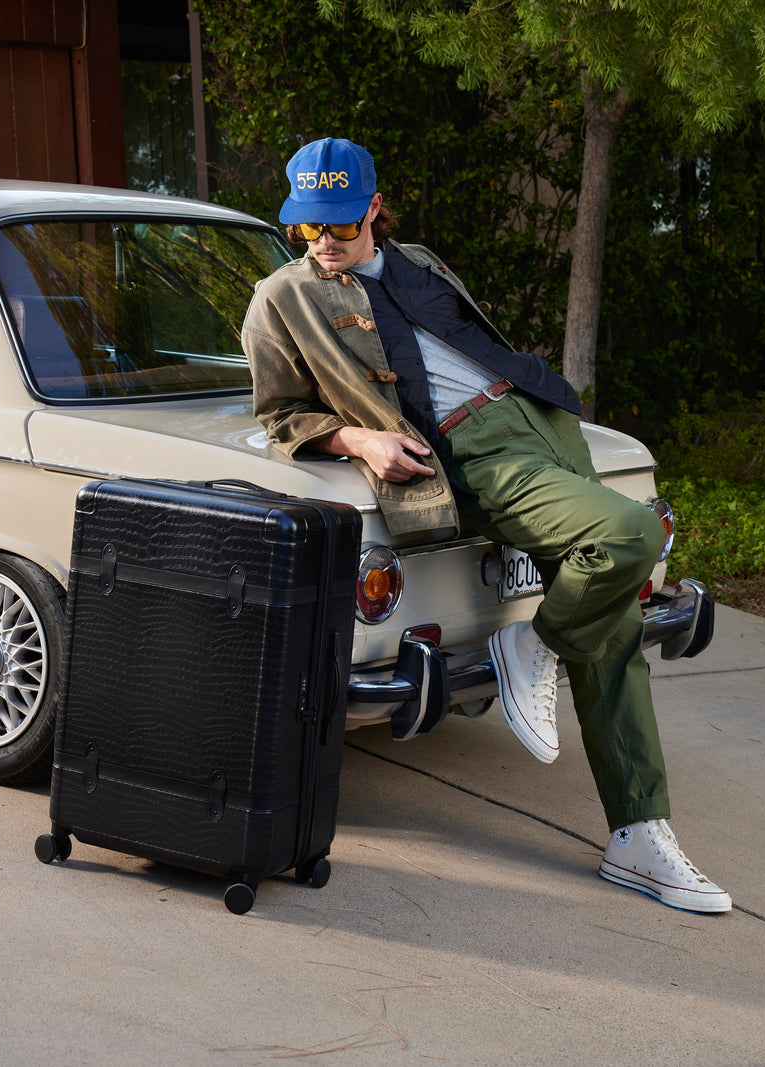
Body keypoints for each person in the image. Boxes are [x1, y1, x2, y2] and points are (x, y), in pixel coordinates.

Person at [242, 137, 731, 914]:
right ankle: (531, 640)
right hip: (470, 452)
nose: (323, 241)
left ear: (372, 207)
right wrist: (359, 437)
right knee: (632, 536)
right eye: (308, 226)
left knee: (608, 623)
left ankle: (639, 832)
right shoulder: (283, 298)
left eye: (338, 223)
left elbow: (472, 344)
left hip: (539, 420)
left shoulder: (422, 262)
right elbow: (278, 414)